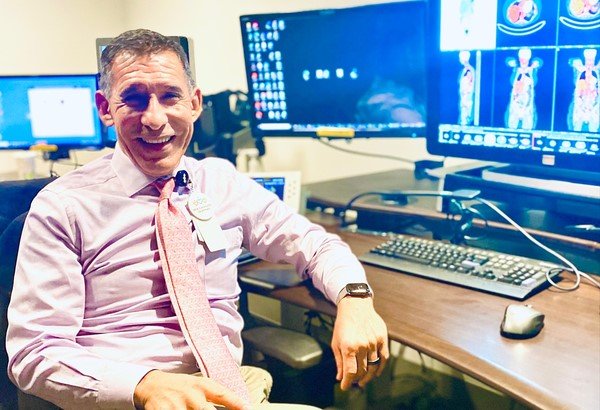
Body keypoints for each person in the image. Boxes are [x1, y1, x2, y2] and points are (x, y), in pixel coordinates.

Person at [6, 29, 389, 409]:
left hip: (230, 393)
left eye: (170, 96)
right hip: (128, 400)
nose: (155, 119)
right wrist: (143, 386)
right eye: (134, 100)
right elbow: (34, 353)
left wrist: (355, 298)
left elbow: (314, 244)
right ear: (105, 108)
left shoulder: (223, 182)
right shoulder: (62, 207)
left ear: (195, 103)